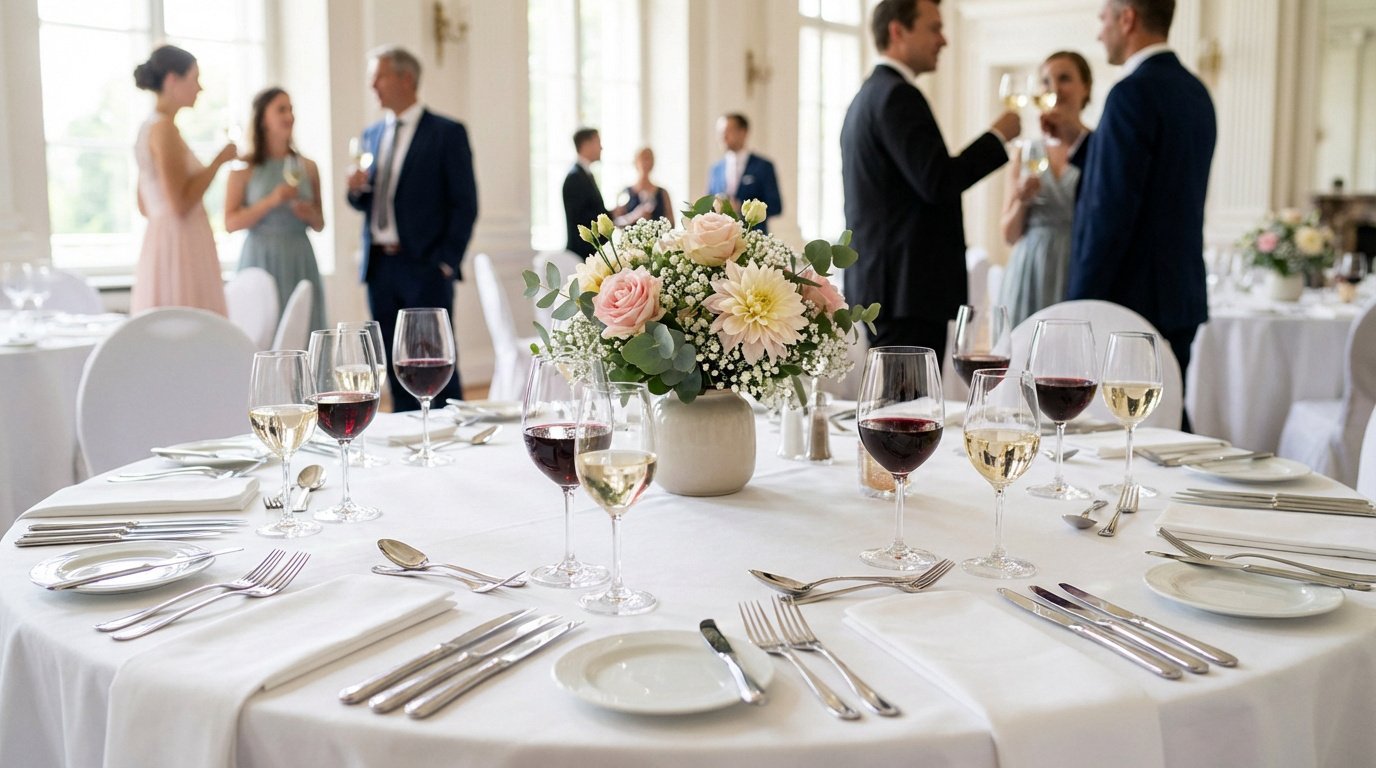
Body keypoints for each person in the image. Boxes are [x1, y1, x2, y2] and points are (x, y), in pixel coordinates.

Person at [1043, 0, 1215, 426]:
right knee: (1168, 416)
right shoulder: (1196, 92)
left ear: (1127, 18)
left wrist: (1078, 306)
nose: (1100, 32)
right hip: (1179, 293)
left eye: (1103, 19)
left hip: (1130, 300)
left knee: (1124, 425)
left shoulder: (1130, 92)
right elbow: (1154, 181)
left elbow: (1110, 210)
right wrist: (1082, 143)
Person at [840, 0, 1019, 361]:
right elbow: (937, 180)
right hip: (907, 293)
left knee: (897, 410)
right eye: (934, 28)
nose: (944, 40)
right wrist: (998, 137)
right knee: (908, 413)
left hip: (890, 288)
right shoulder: (897, 95)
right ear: (897, 31)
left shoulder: (867, 97)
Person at [346, 45, 477, 411]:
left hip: (426, 267)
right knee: (396, 365)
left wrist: (446, 262)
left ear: (407, 78)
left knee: (436, 366)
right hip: (380, 268)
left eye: (380, 75)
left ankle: (452, 443)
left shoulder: (447, 133)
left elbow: (465, 204)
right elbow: (367, 201)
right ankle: (408, 443)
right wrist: (355, 189)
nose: (372, 84)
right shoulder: (371, 135)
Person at [130, 45, 236, 316]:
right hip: (180, 247)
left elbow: (144, 205)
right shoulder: (164, 129)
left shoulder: (148, 127)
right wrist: (219, 161)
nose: (199, 88)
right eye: (194, 79)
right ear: (172, 80)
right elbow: (180, 203)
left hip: (161, 241)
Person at [998, 51, 1093, 327]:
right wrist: (1023, 201)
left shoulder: (1097, 148)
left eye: (1064, 78)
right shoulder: (1027, 151)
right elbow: (1008, 234)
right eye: (1045, 81)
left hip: (1076, 267)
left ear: (1085, 87)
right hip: (1030, 272)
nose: (1054, 88)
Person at [226, 87, 326, 332]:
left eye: (291, 109)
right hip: (260, 257)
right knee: (260, 330)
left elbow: (320, 223)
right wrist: (271, 201)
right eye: (281, 109)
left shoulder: (309, 166)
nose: (289, 116)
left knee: (304, 330)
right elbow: (230, 223)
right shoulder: (243, 169)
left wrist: (308, 213)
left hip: (299, 256)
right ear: (263, 119)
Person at [564, 128, 652, 257]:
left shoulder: (584, 174)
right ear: (586, 145)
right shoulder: (575, 177)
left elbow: (589, 210)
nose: (601, 147)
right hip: (582, 252)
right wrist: (612, 215)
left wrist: (612, 213)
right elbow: (583, 219)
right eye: (598, 142)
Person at [706, 114, 782, 231]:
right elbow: (708, 205)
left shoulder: (763, 166)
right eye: (720, 132)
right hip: (722, 241)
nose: (722, 137)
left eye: (727, 131)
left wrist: (742, 208)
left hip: (754, 241)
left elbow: (776, 206)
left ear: (743, 132)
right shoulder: (716, 169)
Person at [621, 147, 675, 227]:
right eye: (642, 159)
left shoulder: (663, 193)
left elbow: (672, 223)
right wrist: (635, 216)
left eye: (648, 159)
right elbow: (617, 221)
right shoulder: (626, 192)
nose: (645, 163)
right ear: (635, 162)